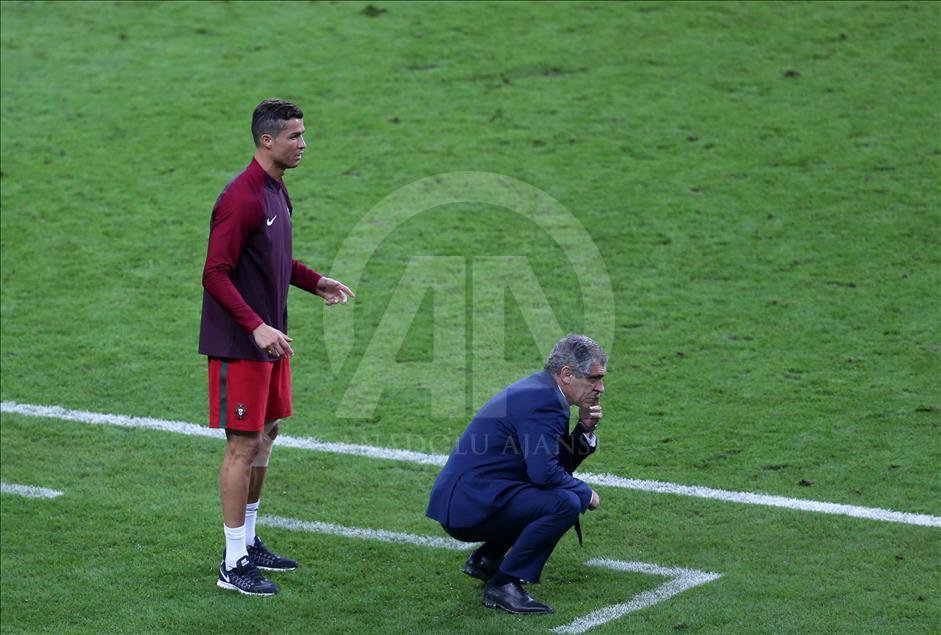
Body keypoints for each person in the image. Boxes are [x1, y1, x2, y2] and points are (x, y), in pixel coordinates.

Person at [198, 98, 354, 596]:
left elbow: (274, 259)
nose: (304, 144)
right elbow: (214, 274)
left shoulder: (276, 190)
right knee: (242, 444)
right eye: (295, 136)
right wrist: (255, 327)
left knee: (267, 433)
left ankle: (247, 540)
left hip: (269, 341)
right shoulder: (241, 197)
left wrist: (314, 281)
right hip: (243, 343)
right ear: (268, 141)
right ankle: (232, 563)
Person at [426, 334, 606, 614]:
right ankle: (503, 584)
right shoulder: (544, 402)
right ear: (567, 374)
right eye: (593, 379)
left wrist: (584, 430)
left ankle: (487, 559)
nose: (601, 388)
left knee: (558, 496)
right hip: (469, 505)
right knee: (566, 502)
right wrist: (584, 492)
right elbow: (545, 475)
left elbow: (551, 467)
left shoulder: (544, 392)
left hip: (474, 495)